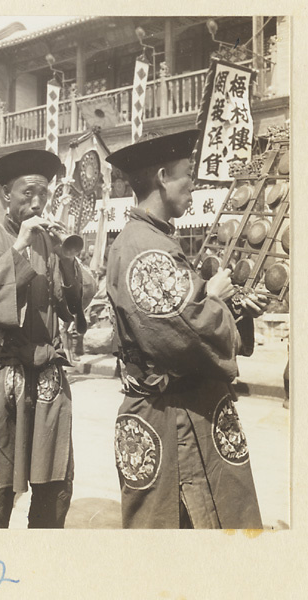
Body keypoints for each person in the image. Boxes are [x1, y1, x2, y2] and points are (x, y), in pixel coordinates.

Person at [105, 130, 268, 529]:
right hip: (168, 413)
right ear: (163, 176)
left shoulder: (156, 239)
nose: (194, 185)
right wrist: (214, 298)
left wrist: (233, 307)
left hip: (188, 407)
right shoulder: (141, 247)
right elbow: (184, 330)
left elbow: (186, 312)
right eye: (187, 175)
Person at [0, 149, 95, 528]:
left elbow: (77, 304)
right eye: (27, 194)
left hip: (49, 374)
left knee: (56, 482)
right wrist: (17, 248)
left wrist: (66, 260)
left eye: (43, 195)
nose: (37, 203)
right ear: (5, 194)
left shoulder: (51, 242)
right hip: (6, 376)